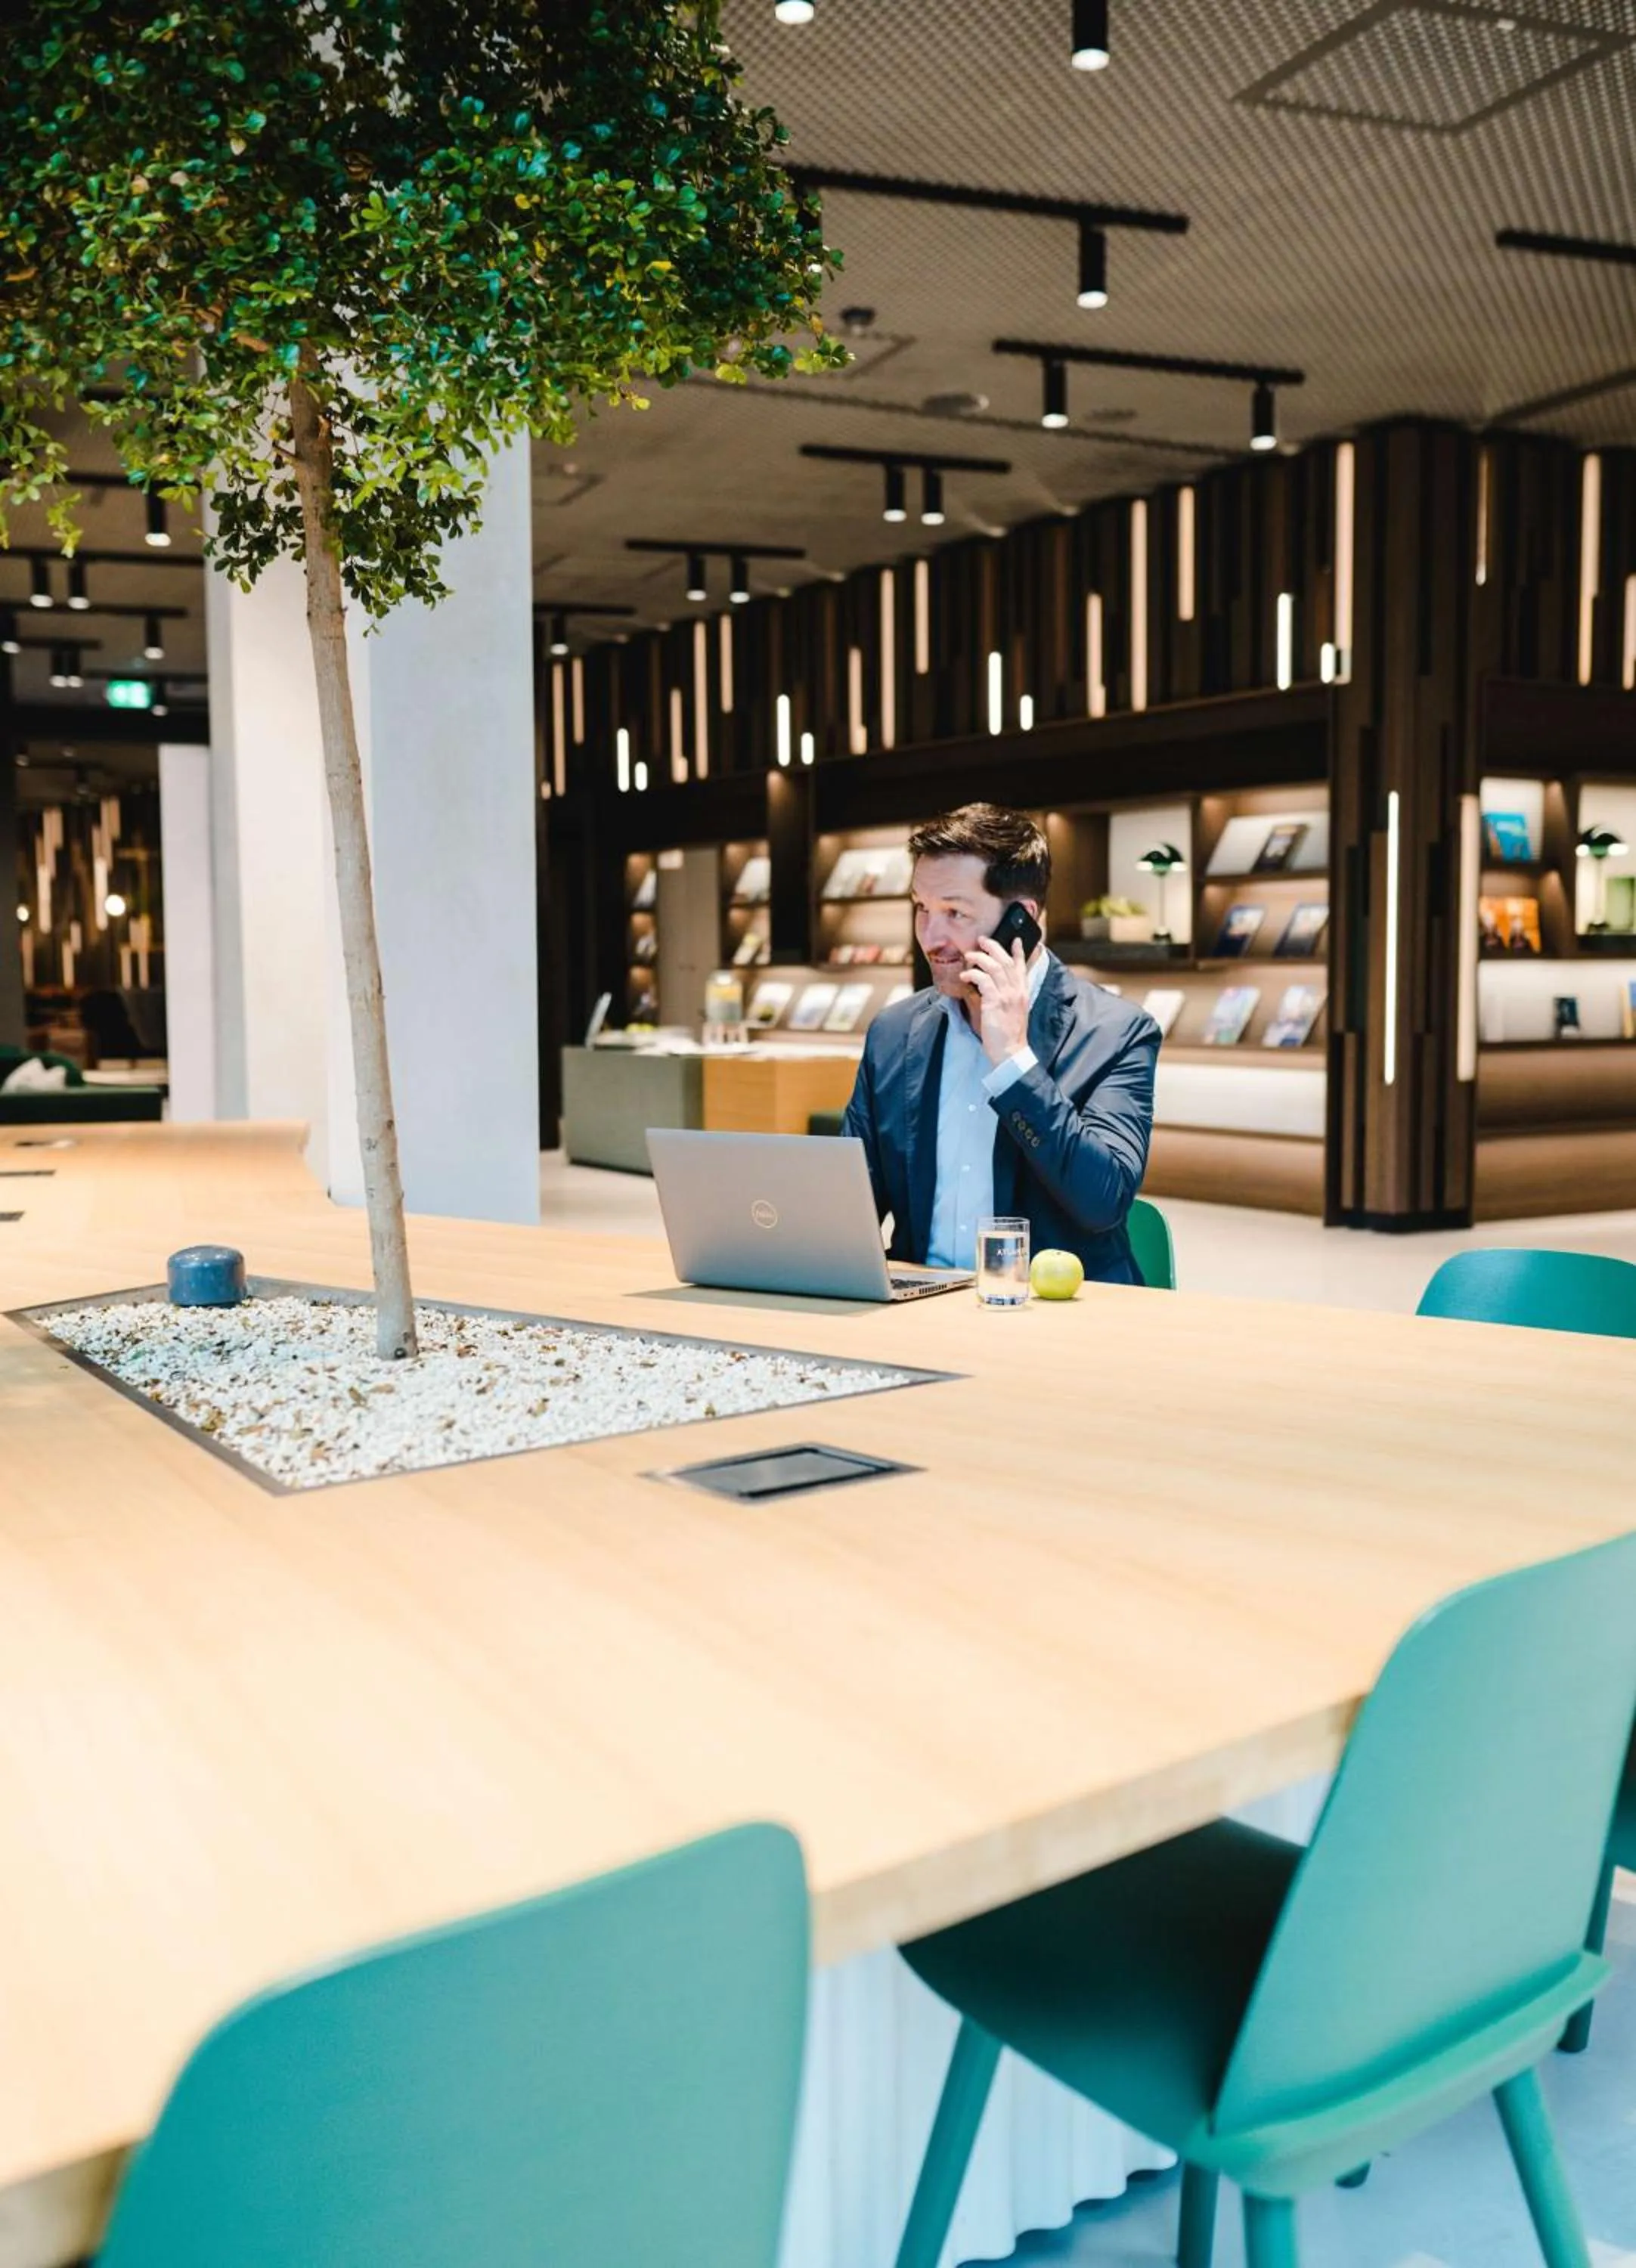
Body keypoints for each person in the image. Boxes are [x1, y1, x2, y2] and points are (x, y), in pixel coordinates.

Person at [842, 803, 1159, 1285]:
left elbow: (1103, 1201)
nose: (930, 937)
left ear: (1022, 918)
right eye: (922, 908)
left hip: (1059, 1322)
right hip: (917, 1312)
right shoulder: (894, 1032)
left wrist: (1015, 1061)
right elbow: (848, 1205)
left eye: (955, 912)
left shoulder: (1117, 1032)